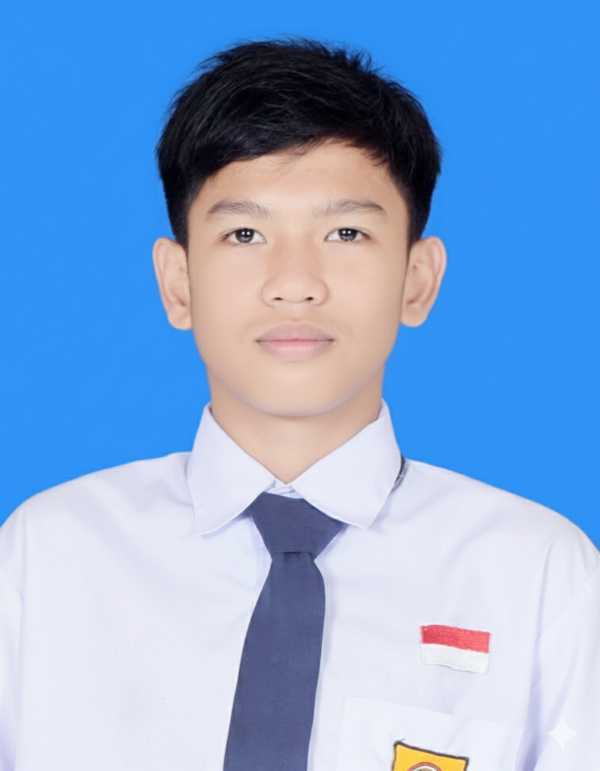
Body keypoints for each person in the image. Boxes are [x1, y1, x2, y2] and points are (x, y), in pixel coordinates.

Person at [1, 36, 598, 771]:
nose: (294, 283)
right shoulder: (45, 557)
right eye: (245, 233)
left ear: (417, 279)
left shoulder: (538, 575)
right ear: (177, 283)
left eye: (346, 232)